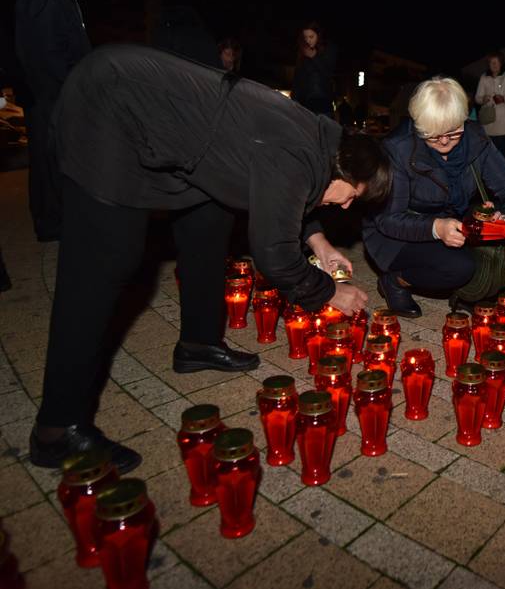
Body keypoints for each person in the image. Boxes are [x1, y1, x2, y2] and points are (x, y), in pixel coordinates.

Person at [31, 44, 391, 473]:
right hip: (108, 105)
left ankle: (198, 344)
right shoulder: (296, 153)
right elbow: (273, 254)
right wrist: (330, 293)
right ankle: (57, 428)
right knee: (106, 260)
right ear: (345, 171)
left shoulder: (318, 142)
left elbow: (284, 194)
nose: (347, 207)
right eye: (353, 196)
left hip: (166, 124)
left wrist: (320, 243)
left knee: (210, 220)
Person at [363, 77, 505, 318]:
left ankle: (465, 291)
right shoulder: (398, 148)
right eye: (432, 134)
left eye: (452, 132)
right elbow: (388, 218)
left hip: (449, 218)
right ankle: (396, 280)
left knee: (483, 244)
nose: (443, 141)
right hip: (397, 232)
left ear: (464, 119)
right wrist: (437, 228)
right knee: (460, 267)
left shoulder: (475, 138)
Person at [15, 0, 91, 241]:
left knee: (44, 162)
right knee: (54, 161)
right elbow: (50, 51)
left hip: (44, 93)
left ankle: (51, 222)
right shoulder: (49, 0)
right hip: (53, 93)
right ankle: (56, 222)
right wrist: (73, 88)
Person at [474, 51, 505, 161]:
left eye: (496, 62)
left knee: (501, 150)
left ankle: (504, 176)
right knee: (488, 150)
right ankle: (490, 176)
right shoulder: (484, 77)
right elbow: (477, 98)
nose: (494, 65)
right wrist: (483, 99)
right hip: (488, 120)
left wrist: (504, 98)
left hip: (503, 122)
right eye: (491, 62)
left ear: (501, 63)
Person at [291, 21, 337, 117]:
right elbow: (297, 79)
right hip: (305, 106)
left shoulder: (328, 50)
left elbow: (329, 73)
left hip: (323, 105)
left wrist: (314, 57)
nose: (308, 40)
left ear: (318, 36)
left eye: (311, 37)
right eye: (305, 37)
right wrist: (294, 101)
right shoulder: (302, 53)